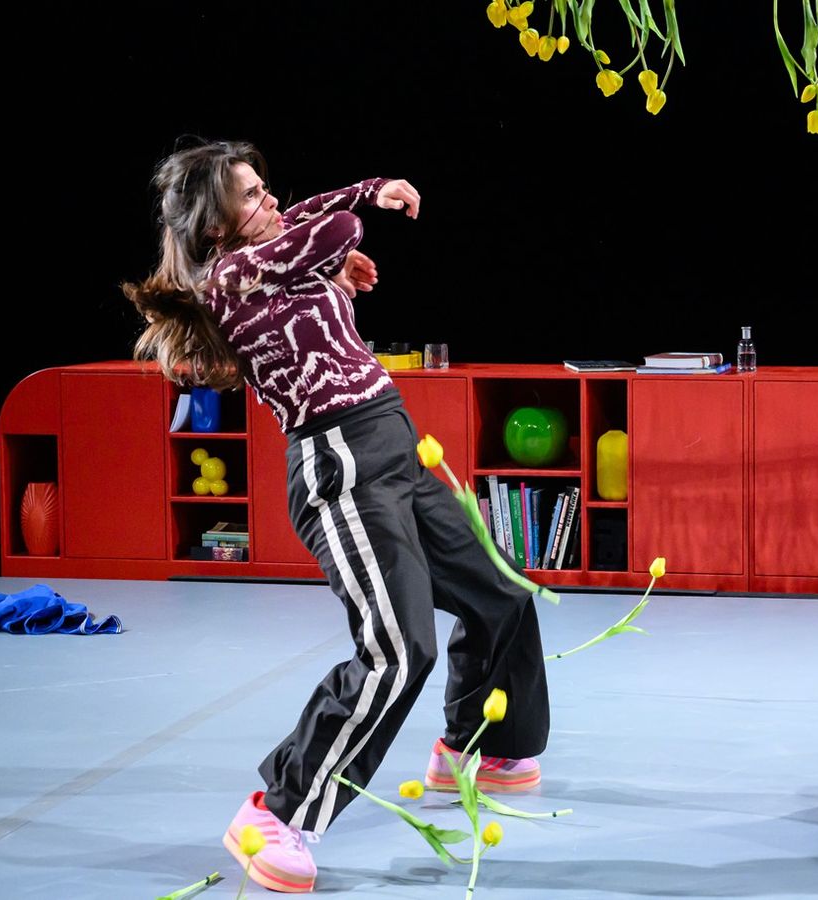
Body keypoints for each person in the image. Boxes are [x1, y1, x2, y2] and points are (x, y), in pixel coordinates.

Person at [123, 140, 549, 891]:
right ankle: (273, 813)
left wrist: (335, 276)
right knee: (396, 651)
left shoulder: (276, 261)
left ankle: (472, 747)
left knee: (502, 592)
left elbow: (314, 259)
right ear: (215, 227)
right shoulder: (231, 274)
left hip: (392, 438)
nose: (270, 200)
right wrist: (366, 196)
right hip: (341, 464)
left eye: (264, 187)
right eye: (250, 196)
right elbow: (336, 228)